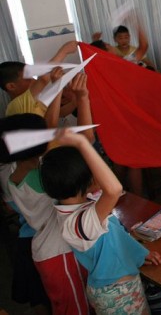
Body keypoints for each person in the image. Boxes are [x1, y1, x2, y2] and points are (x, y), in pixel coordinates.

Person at [40, 130, 161, 314]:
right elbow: (114, 189)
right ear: (83, 180)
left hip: (121, 287)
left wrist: (139, 252)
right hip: (117, 294)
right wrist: (81, 144)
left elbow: (113, 237)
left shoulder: (78, 209)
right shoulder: (79, 223)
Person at [2, 114, 90, 315]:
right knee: (75, 306)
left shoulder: (12, 176)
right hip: (59, 249)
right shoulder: (46, 176)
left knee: (64, 304)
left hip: (42, 246)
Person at [1, 41, 78, 122]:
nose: (34, 80)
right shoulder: (15, 106)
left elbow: (58, 113)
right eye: (28, 78)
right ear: (11, 86)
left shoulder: (35, 100)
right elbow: (43, 79)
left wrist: (75, 101)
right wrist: (64, 51)